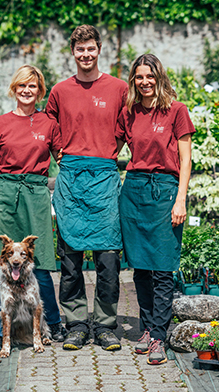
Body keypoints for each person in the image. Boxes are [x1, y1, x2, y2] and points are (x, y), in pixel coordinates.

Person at [46, 25, 128, 351]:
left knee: (108, 260)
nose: (85, 54)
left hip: (105, 177)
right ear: (73, 52)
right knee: (70, 260)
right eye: (80, 50)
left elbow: (126, 126)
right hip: (71, 178)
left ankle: (106, 325)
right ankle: (77, 324)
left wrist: (110, 152)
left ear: (99, 49)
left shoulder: (119, 88)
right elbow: (50, 129)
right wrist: (59, 154)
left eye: (90, 48)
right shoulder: (59, 91)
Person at [0, 64, 67, 356]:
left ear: (40, 90)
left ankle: (52, 324)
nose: (27, 91)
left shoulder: (49, 124)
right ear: (14, 89)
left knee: (40, 264)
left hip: (36, 193)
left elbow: (65, 159)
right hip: (4, 193)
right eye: (22, 86)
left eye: (33, 86)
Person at [116, 54, 195, 365]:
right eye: (139, 77)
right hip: (133, 189)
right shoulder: (130, 113)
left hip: (164, 190)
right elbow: (112, 145)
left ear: (159, 77)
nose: (144, 82)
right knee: (141, 267)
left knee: (162, 267)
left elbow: (186, 160)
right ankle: (147, 328)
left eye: (150, 76)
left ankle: (160, 336)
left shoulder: (176, 111)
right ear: (134, 80)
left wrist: (181, 199)